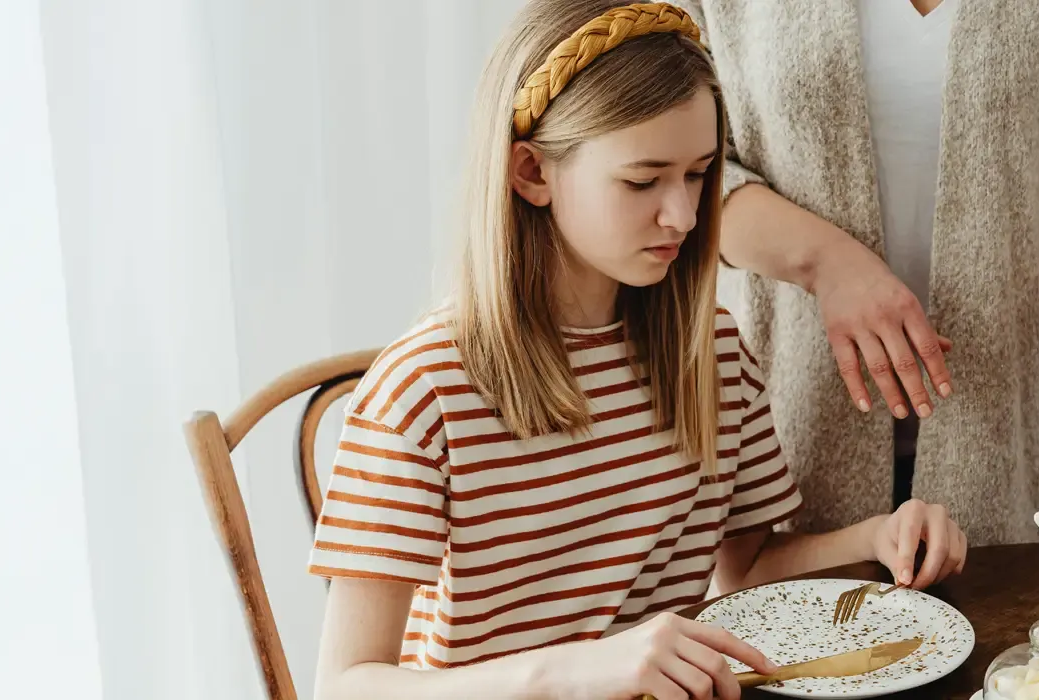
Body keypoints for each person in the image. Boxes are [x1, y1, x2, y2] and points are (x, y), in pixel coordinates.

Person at [306, 3, 968, 699]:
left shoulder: (711, 352)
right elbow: (346, 684)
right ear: (531, 173)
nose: (683, 215)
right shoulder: (424, 389)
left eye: (698, 174)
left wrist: (877, 537)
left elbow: (745, 572)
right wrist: (570, 672)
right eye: (642, 180)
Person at [675, 0, 1039, 544]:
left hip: (1006, 454)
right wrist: (826, 262)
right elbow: (674, 167)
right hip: (790, 436)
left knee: (1020, 627)